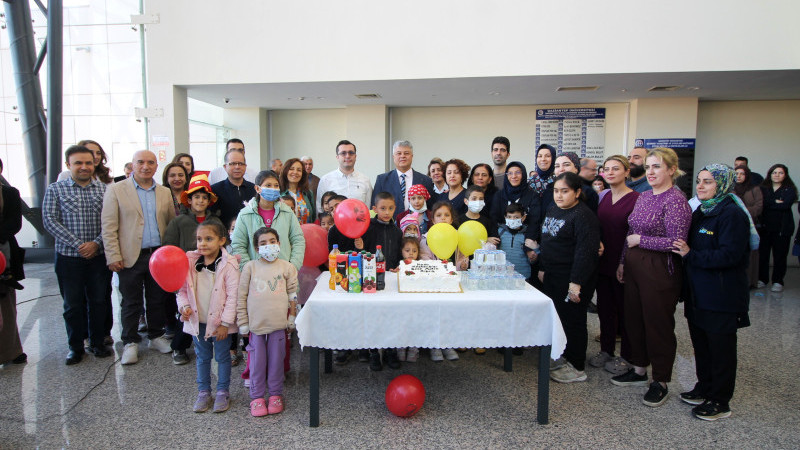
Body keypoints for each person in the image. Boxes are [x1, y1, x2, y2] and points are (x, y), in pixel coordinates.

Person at [671, 164, 756, 421]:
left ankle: (720, 401)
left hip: (721, 295)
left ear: (723, 184)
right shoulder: (704, 211)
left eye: (707, 182)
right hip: (699, 294)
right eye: (699, 181)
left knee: (721, 350)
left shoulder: (732, 214)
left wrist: (691, 254)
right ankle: (704, 387)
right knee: (702, 346)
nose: (700, 186)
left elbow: (730, 255)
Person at [611, 147, 691, 408]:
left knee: (657, 325)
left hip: (659, 270)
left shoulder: (676, 200)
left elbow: (677, 243)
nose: (651, 172)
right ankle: (638, 370)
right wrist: (623, 261)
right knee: (634, 320)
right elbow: (630, 232)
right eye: (648, 167)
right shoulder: (644, 197)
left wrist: (641, 241)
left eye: (657, 166)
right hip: (634, 265)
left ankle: (661, 381)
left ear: (671, 169)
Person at [101, 150, 176, 365]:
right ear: (132, 165)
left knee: (156, 299)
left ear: (156, 166)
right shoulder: (116, 190)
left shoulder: (163, 192)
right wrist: (113, 255)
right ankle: (130, 342)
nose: (146, 166)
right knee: (131, 301)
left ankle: (155, 336)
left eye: (151, 162)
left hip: (158, 256)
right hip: (129, 256)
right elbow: (109, 226)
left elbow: (170, 224)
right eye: (141, 162)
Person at [43, 145, 112, 364]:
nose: (84, 167)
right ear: (68, 165)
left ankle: (97, 342)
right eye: (78, 163)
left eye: (88, 163)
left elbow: (111, 222)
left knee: (99, 300)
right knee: (72, 304)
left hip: (98, 256)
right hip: (68, 257)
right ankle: (75, 347)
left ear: (95, 164)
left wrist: (96, 243)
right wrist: (78, 244)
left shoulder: (105, 191)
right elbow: (49, 220)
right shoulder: (56, 189)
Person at [539, 172, 600, 383]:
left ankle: (577, 366)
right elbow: (547, 239)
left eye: (565, 191)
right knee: (559, 317)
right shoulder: (553, 208)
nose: (559, 195)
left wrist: (576, 284)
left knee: (574, 320)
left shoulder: (583, 216)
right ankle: (562, 356)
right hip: (553, 273)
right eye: (556, 191)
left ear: (577, 192)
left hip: (573, 277)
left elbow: (586, 252)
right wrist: (543, 266)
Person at [176, 221, 239, 413]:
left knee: (221, 357)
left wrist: (225, 324)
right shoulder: (190, 263)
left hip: (220, 324)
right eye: (199, 239)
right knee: (202, 357)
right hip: (198, 322)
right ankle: (203, 391)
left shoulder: (229, 265)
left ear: (221, 241)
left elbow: (232, 297)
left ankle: (222, 391)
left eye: (208, 239)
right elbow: (182, 290)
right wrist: (184, 306)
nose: (202, 243)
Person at [237, 227, 299, 417]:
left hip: (278, 326)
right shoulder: (250, 268)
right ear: (256, 248)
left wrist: (292, 316)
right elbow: (241, 296)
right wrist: (243, 322)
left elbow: (293, 295)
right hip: (256, 327)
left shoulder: (287, 267)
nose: (268, 246)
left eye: (272, 241)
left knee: (276, 362)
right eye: (263, 243)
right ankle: (256, 397)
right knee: (257, 362)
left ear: (279, 244)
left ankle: (275, 394)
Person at [163, 174, 224, 365]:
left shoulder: (215, 222)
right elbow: (169, 247)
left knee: (206, 308)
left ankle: (209, 344)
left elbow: (223, 245)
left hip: (211, 275)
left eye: (204, 197)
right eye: (196, 197)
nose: (200, 201)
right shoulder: (178, 222)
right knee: (189, 311)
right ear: (189, 200)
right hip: (187, 273)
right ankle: (179, 347)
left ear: (209, 201)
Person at [591, 155, 639, 375]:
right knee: (605, 308)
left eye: (616, 169)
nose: (610, 172)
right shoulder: (602, 196)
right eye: (606, 169)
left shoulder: (637, 199)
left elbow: (634, 233)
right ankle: (606, 350)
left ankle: (627, 356)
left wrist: (623, 262)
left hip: (624, 262)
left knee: (625, 310)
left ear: (627, 172)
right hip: (603, 260)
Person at [361, 192, 403, 370]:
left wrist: (397, 266)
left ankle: (390, 350)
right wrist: (360, 246)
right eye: (383, 208)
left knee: (391, 316)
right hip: (371, 278)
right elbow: (363, 252)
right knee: (373, 316)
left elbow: (399, 253)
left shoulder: (397, 230)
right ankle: (373, 352)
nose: (387, 212)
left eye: (391, 208)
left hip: (390, 280)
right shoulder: (368, 228)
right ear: (374, 209)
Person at [0, 158, 27, 365]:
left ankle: (11, 351)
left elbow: (14, 224)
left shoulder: (9, 193)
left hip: (4, 254)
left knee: (7, 305)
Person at [758, 164, 797, 292]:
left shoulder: (789, 189)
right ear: (770, 174)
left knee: (779, 256)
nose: (777, 175)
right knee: (763, 255)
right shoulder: (763, 188)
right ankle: (762, 279)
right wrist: (776, 201)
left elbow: (786, 206)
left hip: (782, 229)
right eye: (774, 172)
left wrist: (771, 202)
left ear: (785, 175)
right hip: (764, 228)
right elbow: (762, 204)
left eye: (780, 173)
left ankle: (778, 281)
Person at [373, 140, 435, 218]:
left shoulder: (426, 180)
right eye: (399, 153)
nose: (402, 156)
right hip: (389, 226)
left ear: (412, 156)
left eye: (406, 153)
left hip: (418, 227)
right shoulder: (382, 180)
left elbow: (431, 208)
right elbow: (375, 207)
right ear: (393, 156)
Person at [316, 140, 373, 212]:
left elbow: (368, 208)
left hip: (359, 222)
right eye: (343, 153)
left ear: (355, 156)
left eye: (351, 153)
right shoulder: (326, 180)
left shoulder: (365, 180)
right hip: (333, 223)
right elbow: (319, 209)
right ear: (337, 157)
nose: (348, 156)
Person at [209, 147, 257, 227]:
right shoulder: (215, 190)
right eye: (233, 164)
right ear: (225, 167)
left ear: (245, 166)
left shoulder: (254, 189)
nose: (237, 167)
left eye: (240, 164)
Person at [733, 165, 763, 288]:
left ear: (747, 175)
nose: (739, 176)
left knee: (750, 255)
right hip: (733, 225)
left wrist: (742, 210)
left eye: (742, 174)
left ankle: (749, 281)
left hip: (750, 226)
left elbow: (759, 207)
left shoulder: (754, 189)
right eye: (736, 173)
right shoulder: (730, 189)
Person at [395, 236, 422, 362]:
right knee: (402, 324)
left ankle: (414, 348)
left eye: (414, 250)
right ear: (401, 251)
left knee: (416, 324)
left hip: (416, 303)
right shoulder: (399, 266)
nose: (411, 253)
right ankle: (401, 347)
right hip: (402, 304)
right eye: (407, 250)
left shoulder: (421, 266)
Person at [497, 203, 533, 280]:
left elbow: (533, 257)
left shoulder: (527, 234)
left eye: (516, 217)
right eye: (509, 217)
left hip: (523, 275)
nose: (512, 220)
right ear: (505, 217)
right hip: (502, 275)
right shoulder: (500, 232)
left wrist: (535, 251)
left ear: (523, 218)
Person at [280, 157, 316, 224]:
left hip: (306, 233)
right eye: (291, 169)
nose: (295, 172)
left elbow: (313, 217)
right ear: (285, 171)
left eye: (299, 170)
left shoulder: (308, 193)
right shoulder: (279, 194)